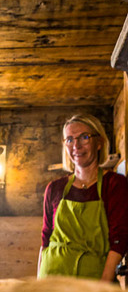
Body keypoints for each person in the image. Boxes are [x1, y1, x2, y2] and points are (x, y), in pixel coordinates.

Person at [38, 113, 128, 281]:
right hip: (52, 280)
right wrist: (38, 284)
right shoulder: (54, 188)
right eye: (70, 140)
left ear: (99, 142)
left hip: (93, 281)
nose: (76, 146)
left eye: (84, 137)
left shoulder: (115, 184)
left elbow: (119, 239)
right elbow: (46, 239)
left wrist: (102, 285)